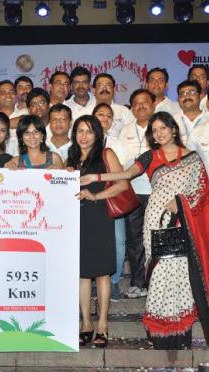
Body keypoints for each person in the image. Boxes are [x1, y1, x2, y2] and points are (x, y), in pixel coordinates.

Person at [81, 111, 209, 354]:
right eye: (154, 131)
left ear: (173, 129)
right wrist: (97, 176)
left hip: (182, 221)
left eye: (163, 128)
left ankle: (180, 329)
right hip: (156, 220)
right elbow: (126, 174)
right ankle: (159, 330)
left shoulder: (192, 157)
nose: (159, 133)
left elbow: (203, 192)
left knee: (180, 273)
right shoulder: (150, 156)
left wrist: (182, 201)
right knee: (160, 272)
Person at [69, 115, 129, 347]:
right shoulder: (72, 158)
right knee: (82, 274)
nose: (84, 136)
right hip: (77, 219)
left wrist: (95, 196)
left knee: (102, 273)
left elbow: (123, 184)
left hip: (100, 217)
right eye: (80, 131)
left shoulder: (106, 154)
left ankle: (102, 324)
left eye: (89, 131)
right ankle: (86, 324)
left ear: (97, 134)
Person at [115, 89, 156, 299]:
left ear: (153, 104)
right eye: (136, 103)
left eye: (145, 102)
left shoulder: (160, 127)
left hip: (157, 192)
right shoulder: (125, 130)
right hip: (133, 191)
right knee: (134, 239)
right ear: (132, 108)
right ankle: (138, 282)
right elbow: (121, 161)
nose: (141, 106)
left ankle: (157, 282)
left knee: (156, 239)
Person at [93, 102, 125, 301]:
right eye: (100, 114)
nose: (104, 118)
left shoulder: (117, 144)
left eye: (109, 115)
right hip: (87, 199)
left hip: (112, 197)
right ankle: (90, 278)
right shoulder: (81, 139)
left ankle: (113, 281)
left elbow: (121, 174)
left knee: (118, 241)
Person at [92, 73, 134, 138]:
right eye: (100, 85)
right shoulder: (84, 112)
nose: (104, 88)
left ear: (114, 90)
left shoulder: (124, 111)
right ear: (94, 90)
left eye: (108, 85)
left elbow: (132, 135)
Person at [175, 80, 209, 147]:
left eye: (191, 92)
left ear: (200, 96)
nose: (187, 97)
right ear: (178, 99)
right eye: (182, 94)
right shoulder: (172, 121)